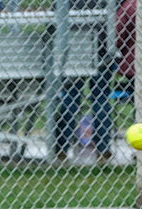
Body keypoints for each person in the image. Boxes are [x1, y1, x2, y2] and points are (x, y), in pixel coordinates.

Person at [54, 0, 113, 163]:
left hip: (72, 47)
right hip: (101, 45)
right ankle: (103, 149)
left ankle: (61, 148)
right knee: (101, 98)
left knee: (70, 96)